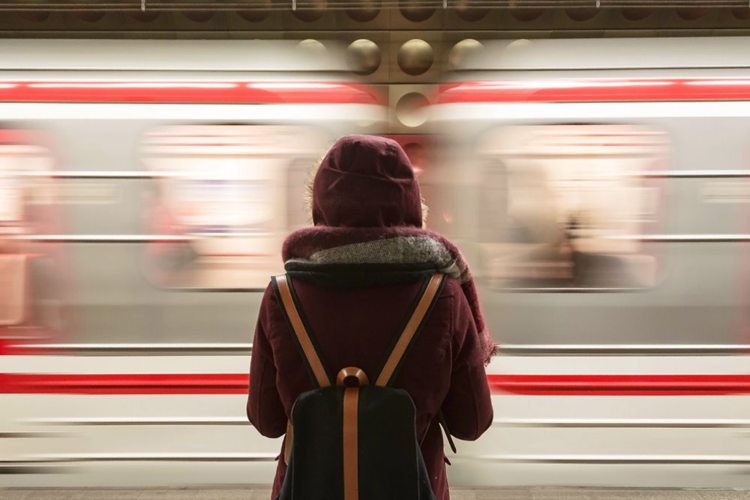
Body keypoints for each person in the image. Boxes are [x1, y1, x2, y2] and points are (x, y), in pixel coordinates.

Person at [247, 135, 494, 500]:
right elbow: (472, 422)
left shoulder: (282, 296)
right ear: (410, 201)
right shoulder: (443, 295)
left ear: (322, 202)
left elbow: (266, 420)